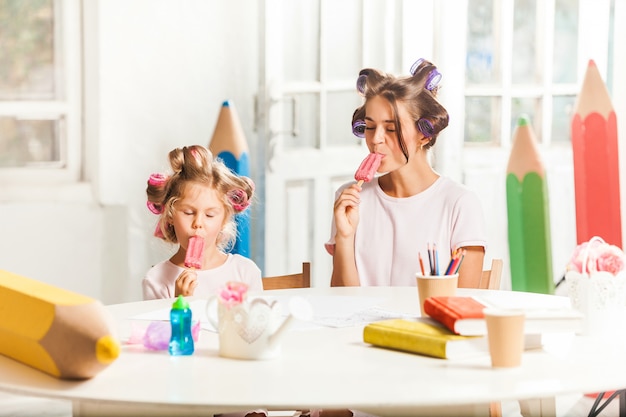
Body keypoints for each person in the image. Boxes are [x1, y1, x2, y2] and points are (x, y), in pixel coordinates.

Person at [326, 58, 487, 288]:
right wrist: (344, 237)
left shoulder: (459, 204)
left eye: (391, 128)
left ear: (425, 134)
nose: (376, 139)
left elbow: (464, 304)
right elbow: (343, 302)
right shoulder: (351, 200)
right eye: (370, 127)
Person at [143, 144, 262, 300]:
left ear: (224, 219)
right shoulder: (156, 279)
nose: (198, 223)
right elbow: (161, 325)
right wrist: (180, 301)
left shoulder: (245, 272)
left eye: (210, 215)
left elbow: (256, 324)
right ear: (170, 214)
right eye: (188, 212)